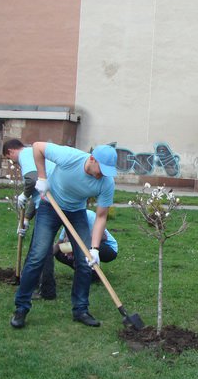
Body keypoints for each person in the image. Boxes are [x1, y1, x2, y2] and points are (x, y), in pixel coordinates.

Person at [9, 141, 117, 329]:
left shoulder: (107, 182)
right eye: (101, 169)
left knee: (85, 261)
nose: (103, 175)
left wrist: (95, 249)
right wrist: (42, 178)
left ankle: (81, 309)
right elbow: (37, 147)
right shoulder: (70, 157)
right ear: (92, 159)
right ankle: (21, 308)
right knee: (37, 256)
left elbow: (101, 217)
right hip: (50, 206)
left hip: (77, 212)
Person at [2, 138, 56, 298]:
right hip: (50, 203)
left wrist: (24, 194)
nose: (14, 163)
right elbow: (38, 191)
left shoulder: (25, 154)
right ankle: (31, 284)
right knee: (38, 248)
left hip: (50, 205)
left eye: (10, 158)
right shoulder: (33, 156)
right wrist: (26, 218)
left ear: (11, 151)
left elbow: (31, 180)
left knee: (41, 250)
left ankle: (46, 290)